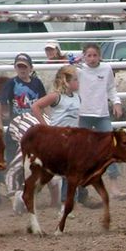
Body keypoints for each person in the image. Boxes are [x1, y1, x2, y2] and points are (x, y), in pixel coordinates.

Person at [77, 42, 126, 199]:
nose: (92, 59)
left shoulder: (106, 69)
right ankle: (80, 188)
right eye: (89, 55)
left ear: (100, 56)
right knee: (81, 151)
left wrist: (116, 102)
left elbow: (111, 88)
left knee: (110, 147)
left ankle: (114, 186)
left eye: (94, 55)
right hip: (83, 113)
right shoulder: (78, 70)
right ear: (84, 56)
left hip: (101, 113)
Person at [31, 65, 80, 210]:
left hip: (72, 138)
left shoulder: (77, 97)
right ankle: (31, 192)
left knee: (70, 170)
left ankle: (69, 201)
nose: (78, 83)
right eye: (75, 79)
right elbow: (36, 106)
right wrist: (45, 126)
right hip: (59, 138)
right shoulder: (56, 97)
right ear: (67, 81)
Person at [0, 53, 47, 163]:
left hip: (34, 124)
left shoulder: (37, 82)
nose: (22, 70)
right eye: (19, 67)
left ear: (31, 68)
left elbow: (43, 103)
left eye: (25, 67)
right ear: (15, 68)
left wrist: (44, 120)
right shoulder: (11, 83)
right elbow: (0, 102)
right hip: (16, 123)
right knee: (13, 156)